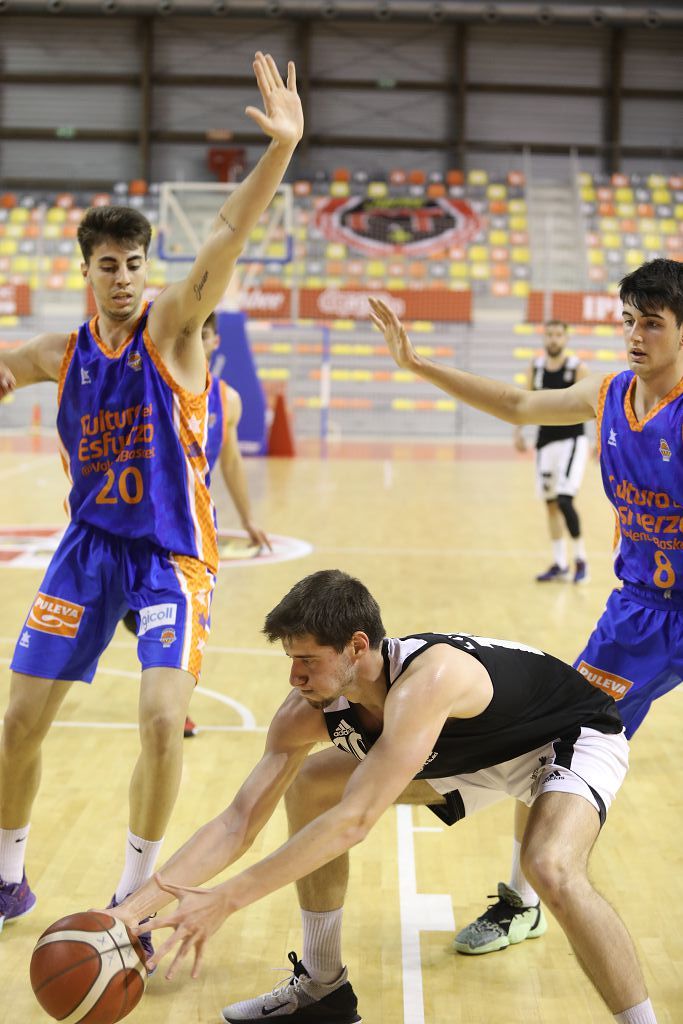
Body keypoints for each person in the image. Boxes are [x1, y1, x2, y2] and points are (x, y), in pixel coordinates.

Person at [0, 51, 303, 939]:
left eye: (135, 261)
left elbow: (224, 237)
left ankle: (133, 890)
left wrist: (280, 151)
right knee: (18, 718)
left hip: (170, 555)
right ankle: (9, 873)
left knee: (164, 719)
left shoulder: (173, 328)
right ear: (86, 270)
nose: (125, 276)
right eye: (109, 264)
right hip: (88, 549)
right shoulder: (62, 354)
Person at [109, 569, 657, 1024]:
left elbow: (355, 822)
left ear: (357, 646)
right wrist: (131, 914)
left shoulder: (429, 679)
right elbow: (237, 821)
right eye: (290, 661)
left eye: (308, 660)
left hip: (565, 736)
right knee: (311, 785)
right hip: (469, 755)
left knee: (550, 866)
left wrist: (226, 898)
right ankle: (323, 989)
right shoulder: (308, 710)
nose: (296, 677)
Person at [370, 256, 683, 959]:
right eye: (629, 320)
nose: (635, 335)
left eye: (652, 324)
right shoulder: (608, 396)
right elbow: (516, 405)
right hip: (638, 614)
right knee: (552, 740)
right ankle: (523, 902)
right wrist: (416, 363)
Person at [121, 311, 272, 738]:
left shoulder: (229, 400)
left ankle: (173, 706)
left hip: (187, 538)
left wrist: (248, 518)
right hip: (134, 530)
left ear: (214, 342)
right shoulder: (155, 387)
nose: (194, 341)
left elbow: (231, 462)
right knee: (140, 623)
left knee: (173, 630)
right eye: (189, 332)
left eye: (202, 334)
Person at [513, 319, 590, 584]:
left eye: (559, 334)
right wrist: (518, 431)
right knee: (551, 505)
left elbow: (594, 403)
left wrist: (601, 439)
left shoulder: (576, 368)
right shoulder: (534, 368)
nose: (554, 339)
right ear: (545, 338)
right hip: (545, 441)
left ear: (566, 338)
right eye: (550, 335)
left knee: (566, 500)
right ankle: (560, 563)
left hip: (572, 441)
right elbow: (521, 403)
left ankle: (580, 559)